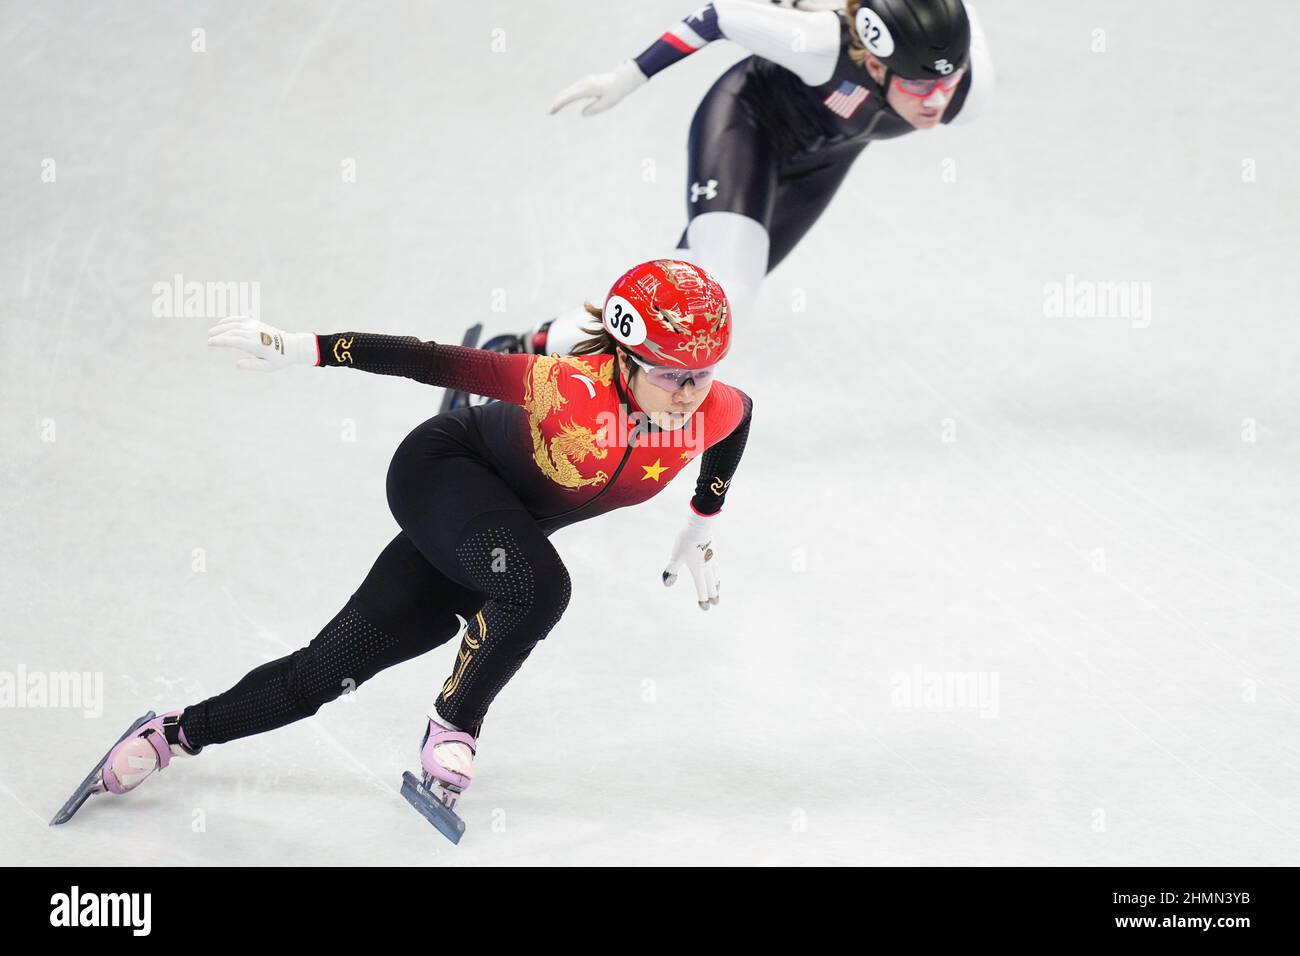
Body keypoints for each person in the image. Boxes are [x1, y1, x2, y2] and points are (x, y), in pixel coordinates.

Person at [54, 260, 753, 834]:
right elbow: (430, 359)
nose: (691, 393)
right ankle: (454, 723)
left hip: (495, 539)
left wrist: (702, 521)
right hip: (443, 477)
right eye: (671, 374)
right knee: (540, 586)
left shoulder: (714, 406)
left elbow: (736, 425)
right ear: (627, 360)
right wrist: (307, 348)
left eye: (702, 373)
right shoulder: (568, 388)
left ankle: (171, 733)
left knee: (322, 676)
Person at [468, 0, 993, 384]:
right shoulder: (820, 45)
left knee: (691, 292)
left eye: (950, 82)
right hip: (747, 125)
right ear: (874, 64)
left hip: (822, 160)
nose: (938, 101)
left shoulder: (965, 88)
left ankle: (524, 349)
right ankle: (532, 360)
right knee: (726, 297)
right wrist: (628, 76)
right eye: (921, 87)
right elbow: (719, 16)